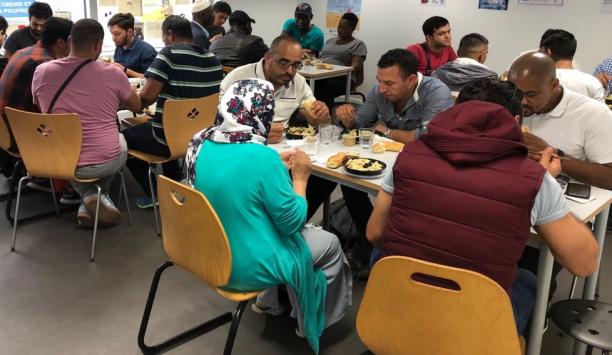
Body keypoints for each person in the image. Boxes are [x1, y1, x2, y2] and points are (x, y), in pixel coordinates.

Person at [366, 78, 599, 335]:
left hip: (397, 303)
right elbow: (584, 264)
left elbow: (375, 233)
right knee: (532, 282)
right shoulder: (533, 180)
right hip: (473, 324)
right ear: (517, 123)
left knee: (381, 255)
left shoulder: (409, 155)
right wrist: (546, 183)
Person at [185, 78, 351, 353]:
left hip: (207, 250)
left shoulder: (200, 142)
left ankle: (268, 301)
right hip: (244, 264)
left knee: (255, 217)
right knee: (330, 244)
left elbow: (241, 187)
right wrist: (300, 177)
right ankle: (311, 320)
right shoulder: (262, 158)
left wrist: (275, 168)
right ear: (263, 113)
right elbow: (293, 221)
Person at [311, 49, 452, 272]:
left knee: (398, 197)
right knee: (348, 179)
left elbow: (430, 138)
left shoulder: (436, 92)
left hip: (421, 166)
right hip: (385, 159)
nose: (381, 89)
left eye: (389, 83)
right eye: (379, 82)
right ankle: (367, 237)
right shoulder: (379, 92)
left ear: (411, 80)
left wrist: (387, 133)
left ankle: (385, 249)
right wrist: (347, 116)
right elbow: (362, 123)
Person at [508, 52, 612, 296]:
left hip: (566, 210)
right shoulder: (509, 103)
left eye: (531, 95)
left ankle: (531, 320)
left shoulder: (594, 115)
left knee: (528, 278)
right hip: (513, 201)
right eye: (516, 92)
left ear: (554, 85)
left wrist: (556, 157)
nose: (521, 102)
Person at [32, 19, 141, 227]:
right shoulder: (113, 73)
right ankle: (94, 195)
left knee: (73, 152)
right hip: (102, 162)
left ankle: (88, 201)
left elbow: (39, 106)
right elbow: (136, 106)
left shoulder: (42, 71)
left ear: (70, 40)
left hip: (55, 157)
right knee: (120, 139)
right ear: (98, 45)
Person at [123, 15, 223, 209]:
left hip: (167, 140)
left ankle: (152, 191)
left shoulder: (169, 54)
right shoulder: (213, 59)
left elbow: (146, 98)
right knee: (158, 125)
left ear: (169, 35)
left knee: (122, 138)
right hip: (201, 138)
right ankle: (174, 179)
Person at [220, 35, 330, 144]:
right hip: (245, 147)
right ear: (268, 58)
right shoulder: (238, 79)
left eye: (296, 65)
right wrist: (258, 133)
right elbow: (220, 125)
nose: (290, 71)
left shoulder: (298, 82)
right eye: (283, 63)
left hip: (286, 146)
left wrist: (322, 114)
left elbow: (318, 123)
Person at [0, 17, 72, 153]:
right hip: (23, 135)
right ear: (61, 42)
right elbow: (56, 109)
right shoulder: (45, 65)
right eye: (71, 41)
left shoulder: (23, 52)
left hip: (6, 130)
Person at [315, 12, 367, 112]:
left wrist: (334, 70)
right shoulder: (329, 41)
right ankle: (309, 115)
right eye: (339, 27)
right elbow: (320, 60)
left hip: (344, 79)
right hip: (321, 76)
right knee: (306, 84)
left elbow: (354, 67)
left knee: (325, 89)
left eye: (344, 28)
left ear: (352, 28)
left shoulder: (358, 44)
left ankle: (324, 120)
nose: (339, 30)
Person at [539, 29, 604, 102]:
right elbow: (601, 112)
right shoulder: (593, 82)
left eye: (540, 51)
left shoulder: (539, 80)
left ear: (548, 52)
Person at [432, 33, 497, 92]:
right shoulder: (490, 79)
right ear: (481, 55)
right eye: (486, 53)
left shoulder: (436, 74)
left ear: (458, 52)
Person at [107, 13, 157, 78]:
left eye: (117, 34)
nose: (113, 38)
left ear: (129, 32)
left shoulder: (147, 51)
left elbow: (151, 79)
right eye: (112, 33)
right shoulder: (119, 46)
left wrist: (124, 70)